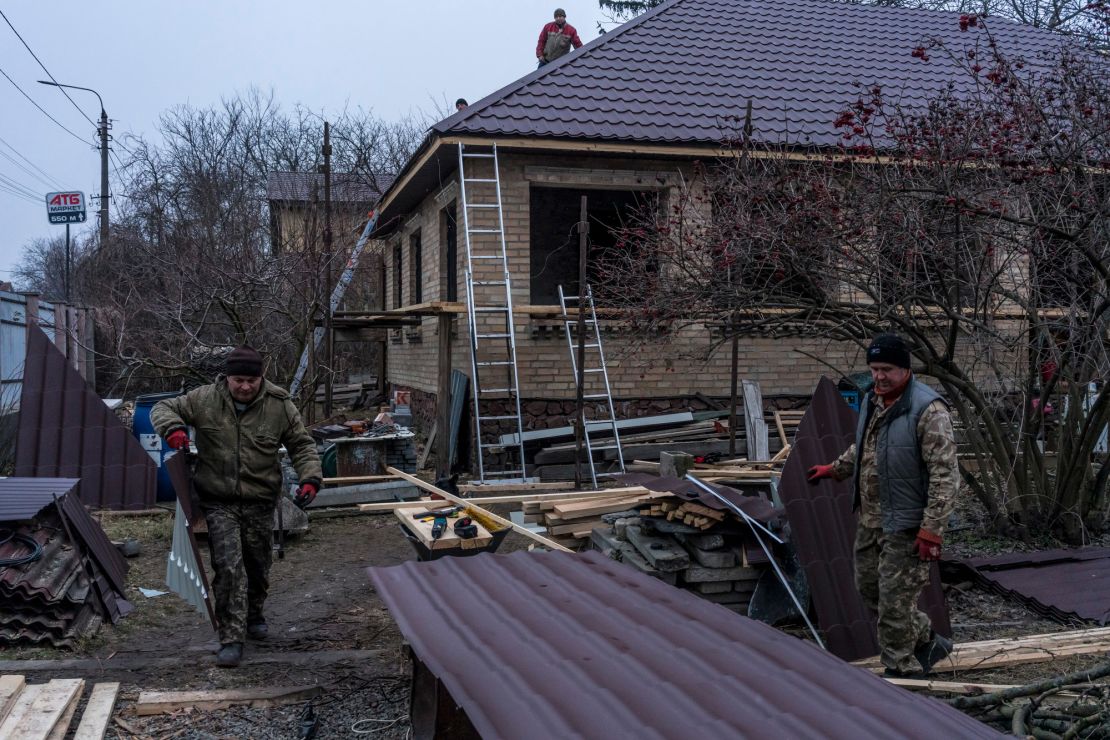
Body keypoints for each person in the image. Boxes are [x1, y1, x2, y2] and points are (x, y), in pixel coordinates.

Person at [152, 347, 321, 668]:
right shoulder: (203, 400)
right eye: (238, 379)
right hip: (217, 500)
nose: (245, 386)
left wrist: (310, 478)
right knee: (229, 567)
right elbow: (162, 407)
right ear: (227, 378)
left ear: (262, 377)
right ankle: (231, 637)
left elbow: (301, 444)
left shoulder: (279, 405)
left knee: (258, 566)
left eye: (251, 380)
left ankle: (254, 611)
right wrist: (173, 430)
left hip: (260, 500)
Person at [806, 333, 958, 677]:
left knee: (893, 602)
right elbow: (866, 448)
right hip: (872, 518)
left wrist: (932, 530)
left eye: (886, 369)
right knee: (869, 588)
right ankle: (926, 638)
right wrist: (836, 469)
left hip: (908, 524)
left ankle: (902, 671)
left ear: (904, 369)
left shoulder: (928, 410)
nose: (879, 376)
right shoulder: (874, 400)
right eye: (874, 369)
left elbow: (945, 476)